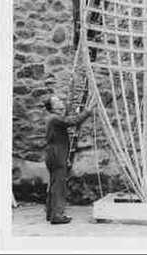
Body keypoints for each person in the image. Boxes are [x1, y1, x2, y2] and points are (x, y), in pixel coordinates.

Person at [44, 94, 94, 224]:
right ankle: (57, 216)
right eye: (57, 101)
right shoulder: (55, 118)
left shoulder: (54, 118)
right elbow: (72, 121)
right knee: (59, 186)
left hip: (53, 155)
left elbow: (68, 118)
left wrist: (76, 112)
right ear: (53, 107)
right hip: (57, 156)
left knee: (54, 184)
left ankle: (51, 213)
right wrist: (87, 112)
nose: (61, 101)